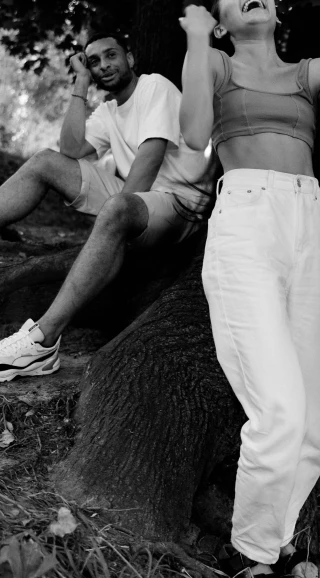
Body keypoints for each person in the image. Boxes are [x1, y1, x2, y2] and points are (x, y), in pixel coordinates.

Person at [179, 0, 320, 578]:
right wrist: (193, 41)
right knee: (280, 410)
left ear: (276, 9)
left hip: (311, 225)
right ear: (220, 22)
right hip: (245, 221)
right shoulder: (213, 60)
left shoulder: (315, 71)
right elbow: (194, 135)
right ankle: (246, 555)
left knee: (313, 424)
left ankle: (265, 547)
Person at [0, 32, 213, 382]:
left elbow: (151, 155)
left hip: (180, 204)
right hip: (139, 198)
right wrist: (80, 85)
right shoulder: (109, 110)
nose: (103, 66)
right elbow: (70, 150)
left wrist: (118, 217)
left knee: (118, 208)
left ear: (131, 58)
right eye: (94, 62)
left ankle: (41, 342)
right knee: (44, 162)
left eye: (110, 56)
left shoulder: (154, 87)